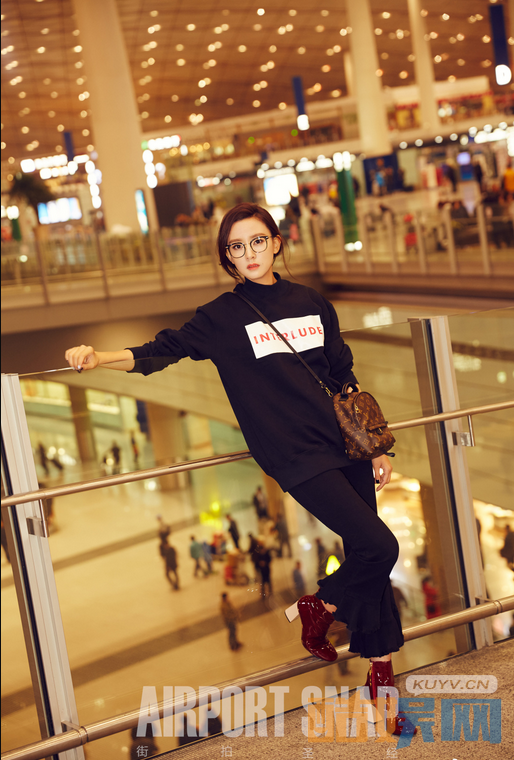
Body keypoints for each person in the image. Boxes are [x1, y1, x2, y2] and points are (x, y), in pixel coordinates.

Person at [64, 202, 411, 736]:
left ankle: (380, 681)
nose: (248, 253)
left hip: (346, 445)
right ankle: (319, 607)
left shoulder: (312, 302)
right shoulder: (221, 317)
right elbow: (162, 349)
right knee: (380, 547)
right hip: (296, 455)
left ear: (277, 242)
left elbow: (342, 373)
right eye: (236, 246)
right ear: (227, 256)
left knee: (370, 555)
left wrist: (375, 446)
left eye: (257, 241)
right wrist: (99, 357)